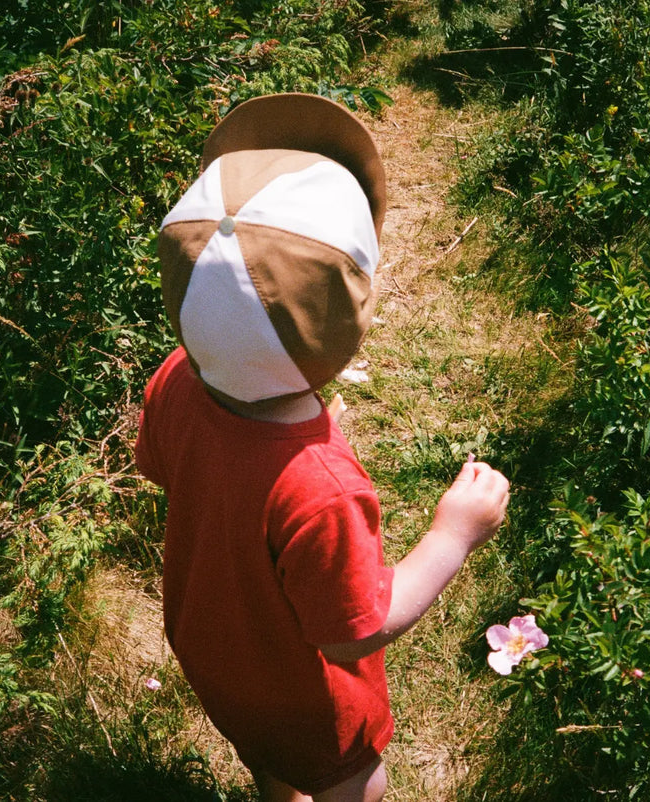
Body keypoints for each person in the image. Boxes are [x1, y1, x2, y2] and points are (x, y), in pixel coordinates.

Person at [135, 93, 510, 802]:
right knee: (351, 787)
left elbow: (174, 469)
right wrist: (454, 533)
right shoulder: (320, 486)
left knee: (270, 763)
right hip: (312, 706)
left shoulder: (177, 379)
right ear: (347, 324)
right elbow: (352, 633)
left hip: (215, 659)